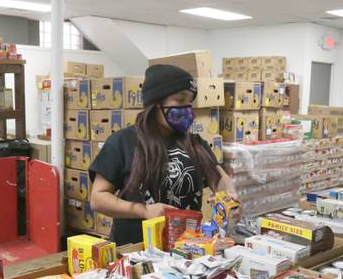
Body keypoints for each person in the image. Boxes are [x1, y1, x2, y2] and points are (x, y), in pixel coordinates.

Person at [89, 63, 240, 245]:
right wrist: (144, 211)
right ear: (156, 103)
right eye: (180, 99)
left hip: (186, 249)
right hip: (137, 251)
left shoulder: (195, 143)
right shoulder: (122, 142)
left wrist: (229, 196)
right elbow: (98, 198)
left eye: (190, 101)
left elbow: (219, 179)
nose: (187, 108)